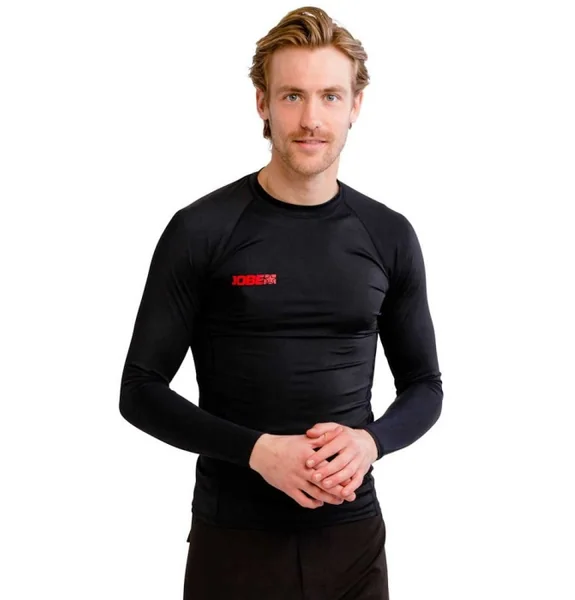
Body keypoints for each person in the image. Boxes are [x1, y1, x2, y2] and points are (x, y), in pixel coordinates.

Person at [119, 6, 443, 599]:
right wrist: (256, 451)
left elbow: (425, 386)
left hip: (352, 543)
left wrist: (369, 442)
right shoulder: (201, 230)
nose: (311, 119)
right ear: (262, 103)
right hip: (234, 541)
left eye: (329, 96)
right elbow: (139, 390)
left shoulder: (389, 235)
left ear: (355, 105)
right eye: (292, 96)